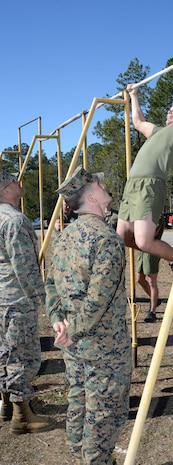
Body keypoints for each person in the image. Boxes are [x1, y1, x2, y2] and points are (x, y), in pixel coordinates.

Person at [45, 165, 131, 465]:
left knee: (79, 402)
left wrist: (58, 320)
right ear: (93, 196)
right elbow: (99, 299)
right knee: (103, 413)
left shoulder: (63, 238)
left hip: (73, 344)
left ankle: (79, 456)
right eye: (103, 187)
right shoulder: (107, 239)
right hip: (103, 347)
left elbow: (51, 284)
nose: (107, 191)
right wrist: (74, 329)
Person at [116, 56, 173, 290]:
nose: (170, 110)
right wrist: (133, 95)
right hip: (132, 186)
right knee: (121, 237)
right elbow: (137, 121)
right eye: (170, 109)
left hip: (149, 186)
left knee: (144, 241)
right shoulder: (157, 132)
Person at [0, 169, 56, 434]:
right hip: (16, 301)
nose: (19, 184)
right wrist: (43, 300)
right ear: (6, 189)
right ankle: (22, 417)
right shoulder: (15, 221)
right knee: (23, 356)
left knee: (4, 354)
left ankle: (7, 406)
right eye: (14, 181)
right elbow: (25, 268)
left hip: (2, 299)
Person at [136, 214, 165, 323]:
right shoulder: (143, 214)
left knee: (152, 281)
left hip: (152, 249)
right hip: (142, 249)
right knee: (139, 279)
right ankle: (155, 300)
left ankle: (152, 311)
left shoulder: (157, 216)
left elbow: (152, 234)